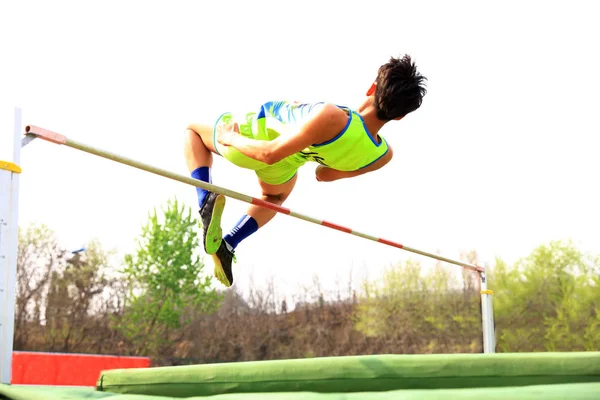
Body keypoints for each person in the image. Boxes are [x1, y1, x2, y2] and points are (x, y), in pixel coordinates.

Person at [183, 54, 427, 287]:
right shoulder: (381, 155)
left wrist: (231, 138)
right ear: (400, 117)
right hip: (287, 164)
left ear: (372, 87)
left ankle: (204, 200)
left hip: (252, 138)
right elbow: (323, 175)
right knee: (274, 198)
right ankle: (229, 244)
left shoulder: (334, 116)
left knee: (193, 132)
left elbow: (269, 153)